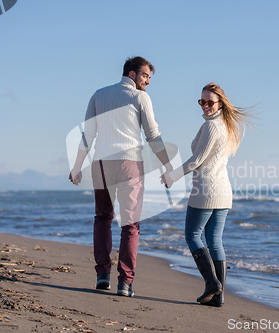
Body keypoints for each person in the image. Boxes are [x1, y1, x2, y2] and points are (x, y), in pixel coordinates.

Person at [70, 56, 172, 297]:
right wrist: (168, 166)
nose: (148, 81)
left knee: (102, 218)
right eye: (146, 76)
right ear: (132, 74)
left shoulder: (98, 94)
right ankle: (125, 283)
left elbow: (88, 135)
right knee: (130, 224)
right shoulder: (140, 97)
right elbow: (153, 136)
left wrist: (76, 167)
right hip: (129, 164)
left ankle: (102, 276)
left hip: (101, 164)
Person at [161, 82, 253, 306]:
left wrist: (172, 176)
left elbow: (196, 160)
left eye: (210, 102)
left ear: (220, 103)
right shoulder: (224, 125)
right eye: (202, 101)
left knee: (192, 235)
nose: (205, 106)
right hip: (223, 192)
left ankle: (212, 283)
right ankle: (218, 296)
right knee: (215, 240)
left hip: (206, 190)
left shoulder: (212, 126)